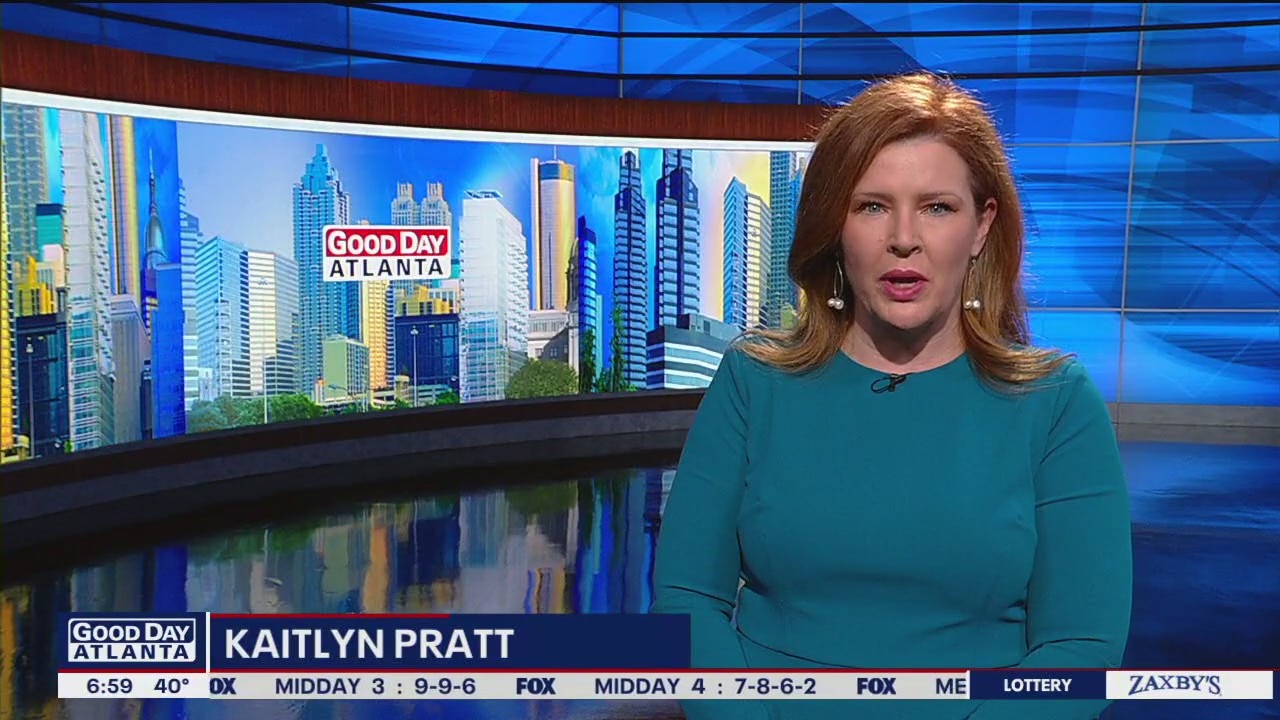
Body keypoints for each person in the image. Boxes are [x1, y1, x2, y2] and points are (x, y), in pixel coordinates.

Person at [650, 71, 1133, 720]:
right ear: (835, 225)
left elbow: (1081, 649)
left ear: (981, 226)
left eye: (937, 207)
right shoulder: (752, 382)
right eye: (872, 206)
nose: (904, 237)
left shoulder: (1055, 403)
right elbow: (687, 601)